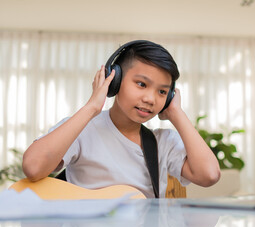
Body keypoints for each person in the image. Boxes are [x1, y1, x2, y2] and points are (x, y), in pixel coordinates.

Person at [22, 40, 220, 198]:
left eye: (162, 92)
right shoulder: (83, 129)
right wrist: (92, 107)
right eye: (141, 84)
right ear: (114, 80)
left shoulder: (163, 143)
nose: (150, 99)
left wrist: (177, 114)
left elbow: (209, 175)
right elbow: (33, 167)